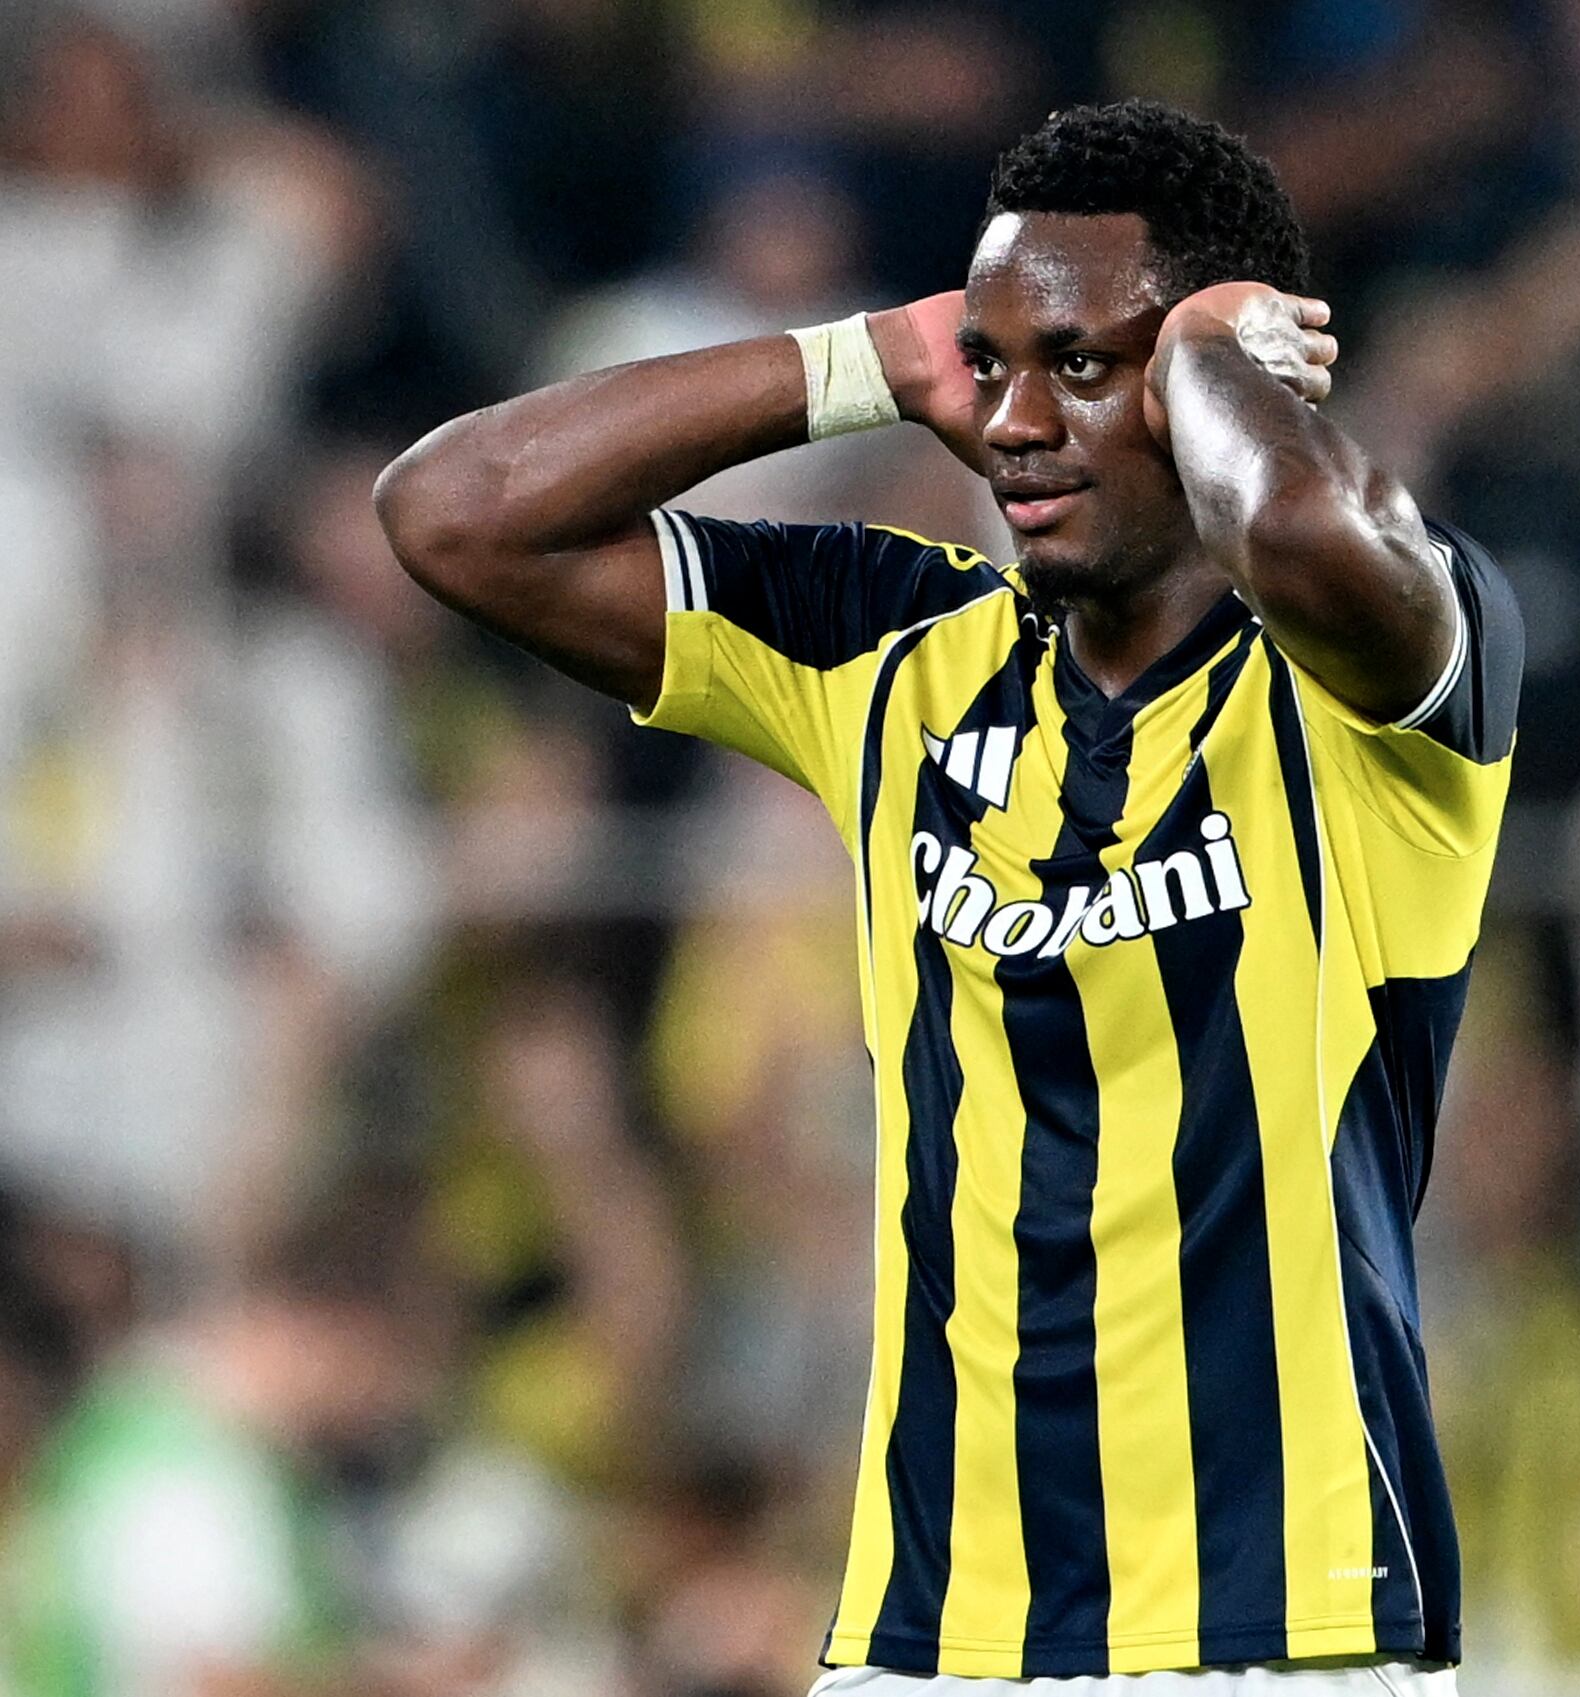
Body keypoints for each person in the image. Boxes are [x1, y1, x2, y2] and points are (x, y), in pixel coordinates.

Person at [375, 100, 1521, 1695]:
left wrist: (1214, 359)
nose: (1017, 422)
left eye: (1085, 365)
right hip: (931, 1638)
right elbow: (454, 511)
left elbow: (1298, 525)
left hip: (1286, 1629)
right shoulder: (893, 650)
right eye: (994, 367)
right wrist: (873, 358)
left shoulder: (1373, 683)